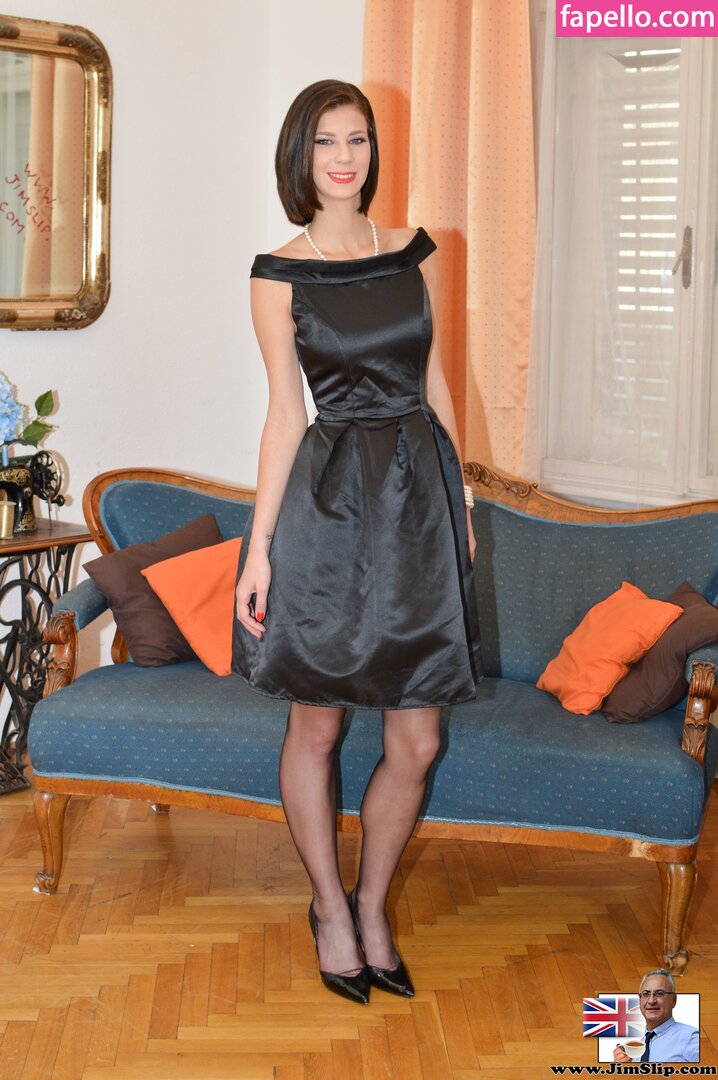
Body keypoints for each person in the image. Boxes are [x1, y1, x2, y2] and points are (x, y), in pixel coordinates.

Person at [232, 79, 482, 1005]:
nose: (345, 157)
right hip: (329, 507)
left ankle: (374, 904)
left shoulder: (415, 252)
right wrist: (260, 549)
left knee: (417, 739)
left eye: (359, 139)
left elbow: (439, 383)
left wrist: (461, 501)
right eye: (327, 141)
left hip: (420, 502)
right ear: (300, 154)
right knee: (319, 724)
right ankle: (331, 910)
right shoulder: (276, 272)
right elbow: (283, 416)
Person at [614, 969, 699, 1063]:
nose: (651, 1001)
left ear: (673, 1000)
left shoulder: (690, 1038)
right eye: (646, 994)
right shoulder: (635, 1051)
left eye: (659, 994)